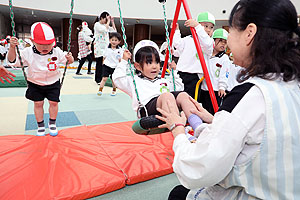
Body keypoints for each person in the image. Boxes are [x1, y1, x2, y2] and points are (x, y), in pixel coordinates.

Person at [157, 0, 300, 199]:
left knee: (179, 193)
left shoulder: (249, 95)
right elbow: (258, 134)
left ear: (249, 33)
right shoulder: (292, 85)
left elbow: (197, 170)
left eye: (230, 31)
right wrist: (213, 120)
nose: (227, 41)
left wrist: (178, 129)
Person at [113, 40, 204, 135]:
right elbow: (117, 79)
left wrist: (174, 72)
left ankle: (198, 126)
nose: (154, 67)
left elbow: (179, 89)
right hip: (147, 111)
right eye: (149, 63)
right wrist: (123, 61)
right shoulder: (134, 81)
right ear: (138, 66)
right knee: (166, 96)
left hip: (166, 107)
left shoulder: (163, 81)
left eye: (157, 62)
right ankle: (180, 131)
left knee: (183, 95)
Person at [7, 22, 74, 136]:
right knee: (38, 104)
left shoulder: (56, 51)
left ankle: (52, 123)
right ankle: (40, 125)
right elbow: (13, 61)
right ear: (32, 41)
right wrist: (12, 47)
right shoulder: (28, 52)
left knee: (54, 103)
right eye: (41, 44)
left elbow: (69, 61)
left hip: (53, 82)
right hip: (35, 83)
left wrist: (70, 57)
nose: (45, 47)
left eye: (48, 44)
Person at [172, 12, 215, 101]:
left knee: (191, 100)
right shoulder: (188, 39)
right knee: (178, 96)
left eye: (211, 27)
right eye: (205, 26)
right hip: (181, 72)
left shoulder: (210, 42)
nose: (208, 30)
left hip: (195, 76)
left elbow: (205, 43)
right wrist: (176, 31)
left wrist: (198, 27)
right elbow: (178, 45)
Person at [200, 28, 231, 114]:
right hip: (204, 89)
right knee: (203, 111)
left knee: (214, 111)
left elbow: (225, 74)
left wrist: (222, 87)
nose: (223, 44)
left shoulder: (224, 58)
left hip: (216, 90)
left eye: (225, 42)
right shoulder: (206, 55)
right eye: (220, 41)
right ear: (212, 41)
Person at [93, 11, 116, 84]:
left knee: (105, 64)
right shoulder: (97, 24)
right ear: (102, 18)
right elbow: (104, 30)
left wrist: (112, 21)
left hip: (105, 47)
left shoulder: (106, 25)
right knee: (99, 63)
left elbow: (114, 31)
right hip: (99, 47)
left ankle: (103, 78)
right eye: (105, 19)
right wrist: (108, 21)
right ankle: (98, 79)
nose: (106, 21)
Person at [97, 32, 123, 96]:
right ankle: (100, 90)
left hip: (115, 66)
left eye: (116, 40)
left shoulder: (120, 50)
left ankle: (114, 89)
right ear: (110, 40)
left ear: (119, 42)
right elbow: (104, 57)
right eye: (112, 40)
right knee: (104, 78)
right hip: (107, 65)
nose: (114, 42)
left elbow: (120, 59)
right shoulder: (107, 48)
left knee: (113, 79)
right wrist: (103, 64)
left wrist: (120, 66)